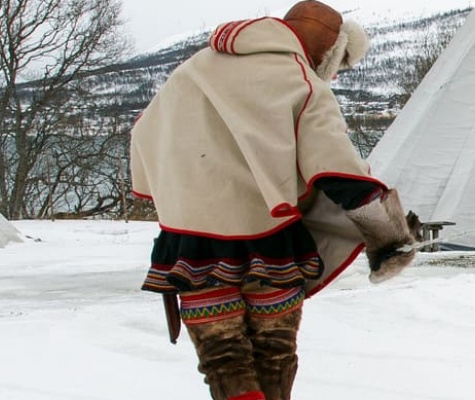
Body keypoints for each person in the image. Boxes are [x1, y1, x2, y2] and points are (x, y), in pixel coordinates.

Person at [127, 2, 418, 399]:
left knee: (224, 359)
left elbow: (144, 135)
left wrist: (180, 193)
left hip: (192, 247)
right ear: (327, 53)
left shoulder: (194, 68)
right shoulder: (301, 81)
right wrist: (390, 239)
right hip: (269, 246)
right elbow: (337, 171)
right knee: (273, 354)